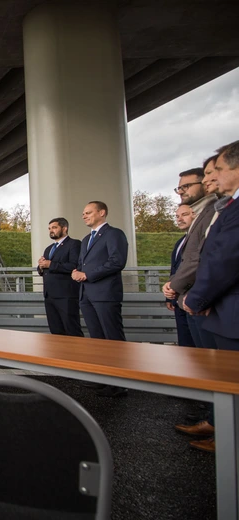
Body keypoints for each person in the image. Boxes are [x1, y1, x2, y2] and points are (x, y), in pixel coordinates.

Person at [178, 141, 239, 454]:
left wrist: (194, 297)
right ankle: (219, 425)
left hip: (225, 308)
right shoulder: (223, 208)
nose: (211, 179)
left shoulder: (229, 210)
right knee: (217, 373)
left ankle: (229, 440)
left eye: (217, 171)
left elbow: (220, 259)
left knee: (230, 379)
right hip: (216, 305)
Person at [72, 201, 128, 397]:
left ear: (102, 212)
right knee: (97, 340)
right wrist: (77, 272)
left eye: (88, 212)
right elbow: (82, 263)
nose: (84, 216)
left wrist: (87, 275)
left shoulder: (114, 234)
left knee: (113, 339)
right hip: (86, 294)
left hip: (105, 294)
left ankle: (120, 384)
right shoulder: (87, 239)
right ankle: (104, 379)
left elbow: (117, 261)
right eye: (83, 213)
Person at [162, 165, 218, 348]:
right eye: (179, 187)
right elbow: (184, 262)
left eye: (186, 186)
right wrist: (172, 287)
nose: (181, 192)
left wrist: (175, 286)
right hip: (186, 297)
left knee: (211, 360)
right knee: (194, 354)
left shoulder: (213, 212)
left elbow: (200, 258)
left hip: (203, 299)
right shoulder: (201, 216)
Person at [37, 217, 83, 337]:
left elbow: (74, 266)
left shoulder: (74, 244)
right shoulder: (49, 248)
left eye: (54, 227)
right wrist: (41, 266)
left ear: (64, 228)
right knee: (55, 330)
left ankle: (78, 355)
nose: (51, 230)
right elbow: (44, 269)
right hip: (49, 295)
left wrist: (50, 264)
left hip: (66, 295)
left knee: (71, 329)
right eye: (49, 228)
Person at [165, 204, 195, 347]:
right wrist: (169, 296)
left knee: (199, 346)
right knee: (185, 344)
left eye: (184, 215)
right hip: (178, 299)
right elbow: (175, 270)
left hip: (194, 299)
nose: (179, 219)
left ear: (195, 214)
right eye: (177, 216)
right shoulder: (180, 242)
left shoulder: (199, 240)